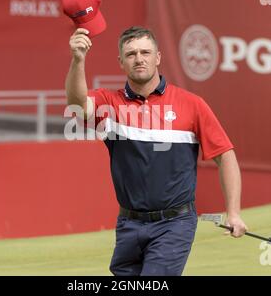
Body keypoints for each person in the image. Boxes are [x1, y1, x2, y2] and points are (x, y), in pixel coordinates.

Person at [65, 26, 247, 276]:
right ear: (121, 62)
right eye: (131, 54)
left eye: (145, 52)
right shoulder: (110, 103)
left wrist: (234, 212)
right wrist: (78, 60)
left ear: (158, 57)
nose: (139, 59)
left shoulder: (192, 105)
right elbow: (76, 106)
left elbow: (225, 155)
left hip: (174, 224)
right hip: (129, 224)